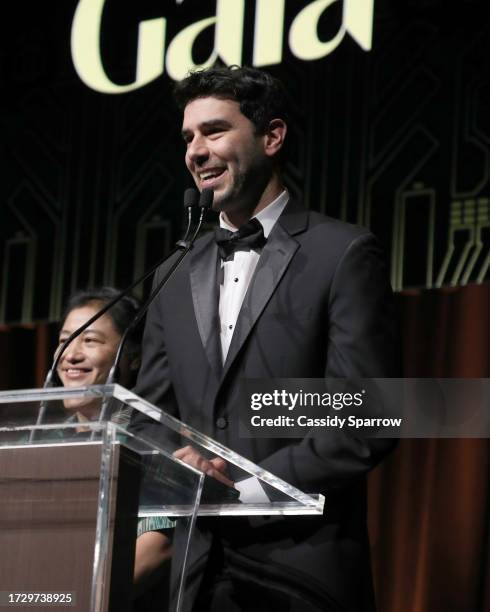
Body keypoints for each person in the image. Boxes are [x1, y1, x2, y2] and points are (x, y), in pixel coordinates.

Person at [131, 66, 399, 612]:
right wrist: (177, 468)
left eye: (213, 131)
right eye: (188, 138)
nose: (196, 151)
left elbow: (367, 419)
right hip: (196, 576)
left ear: (272, 136)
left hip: (303, 571)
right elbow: (150, 420)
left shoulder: (341, 253)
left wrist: (244, 488)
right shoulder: (172, 274)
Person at [55, 287, 173, 599]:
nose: (70, 354)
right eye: (64, 339)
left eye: (89, 340)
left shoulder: (149, 439)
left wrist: (73, 600)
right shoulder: (45, 442)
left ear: (132, 358)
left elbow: (158, 544)